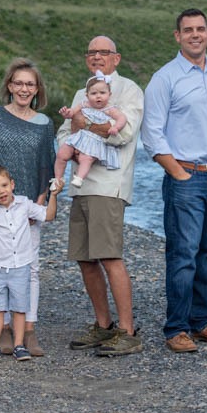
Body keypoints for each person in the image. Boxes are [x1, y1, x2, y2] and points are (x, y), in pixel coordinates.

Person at [142, 9, 207, 353]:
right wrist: (178, 172)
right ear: (177, 36)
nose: (195, 34)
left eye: (200, 29)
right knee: (183, 254)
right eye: (188, 30)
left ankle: (201, 322)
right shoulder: (164, 78)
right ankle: (176, 328)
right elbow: (151, 134)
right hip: (186, 176)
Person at [56, 36, 144, 357]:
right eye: (92, 52)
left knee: (109, 256)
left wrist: (84, 126)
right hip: (81, 185)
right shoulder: (83, 92)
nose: (97, 57)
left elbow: (123, 133)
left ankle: (128, 331)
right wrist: (75, 137)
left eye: (103, 52)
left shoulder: (129, 90)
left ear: (116, 58)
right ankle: (103, 325)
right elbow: (65, 132)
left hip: (108, 185)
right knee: (84, 257)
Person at [0, 57, 56, 356]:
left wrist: (39, 204)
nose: (24, 89)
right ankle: (4, 328)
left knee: (30, 269)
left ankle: (28, 330)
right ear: (9, 85)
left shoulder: (44, 124)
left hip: (28, 206)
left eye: (30, 84)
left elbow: (47, 168)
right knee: (0, 266)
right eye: (18, 83)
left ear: (37, 89)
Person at [0, 165, 61, 361]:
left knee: (20, 308)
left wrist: (54, 195)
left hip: (21, 266)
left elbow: (48, 215)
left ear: (12, 185)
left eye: (4, 185)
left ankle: (19, 345)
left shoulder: (24, 204)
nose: (1, 191)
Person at [53, 70, 129, 188]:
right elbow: (72, 113)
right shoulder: (84, 104)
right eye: (93, 93)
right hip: (79, 136)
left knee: (86, 158)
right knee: (62, 153)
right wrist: (67, 113)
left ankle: (79, 178)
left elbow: (122, 118)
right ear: (87, 95)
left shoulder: (110, 109)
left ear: (109, 94)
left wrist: (116, 127)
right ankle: (58, 178)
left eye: (102, 93)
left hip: (94, 140)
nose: (98, 96)